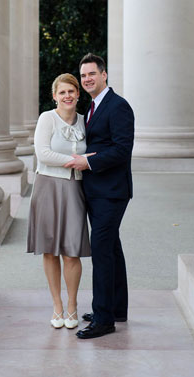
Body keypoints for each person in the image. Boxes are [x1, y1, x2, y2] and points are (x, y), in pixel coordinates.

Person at [64, 52, 134, 340]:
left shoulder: (118, 107)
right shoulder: (93, 107)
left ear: (104, 75)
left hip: (112, 192)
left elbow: (121, 149)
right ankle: (116, 309)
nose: (87, 79)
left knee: (102, 252)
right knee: (112, 249)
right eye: (83, 75)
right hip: (97, 191)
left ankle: (104, 319)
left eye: (92, 73)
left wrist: (87, 162)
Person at [27, 73, 91, 330]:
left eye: (71, 91)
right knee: (51, 250)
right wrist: (75, 162)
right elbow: (42, 152)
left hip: (75, 188)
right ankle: (57, 306)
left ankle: (73, 307)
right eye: (62, 92)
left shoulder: (85, 122)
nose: (67, 96)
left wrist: (82, 163)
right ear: (54, 96)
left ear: (77, 94)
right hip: (48, 187)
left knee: (72, 251)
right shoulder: (47, 118)